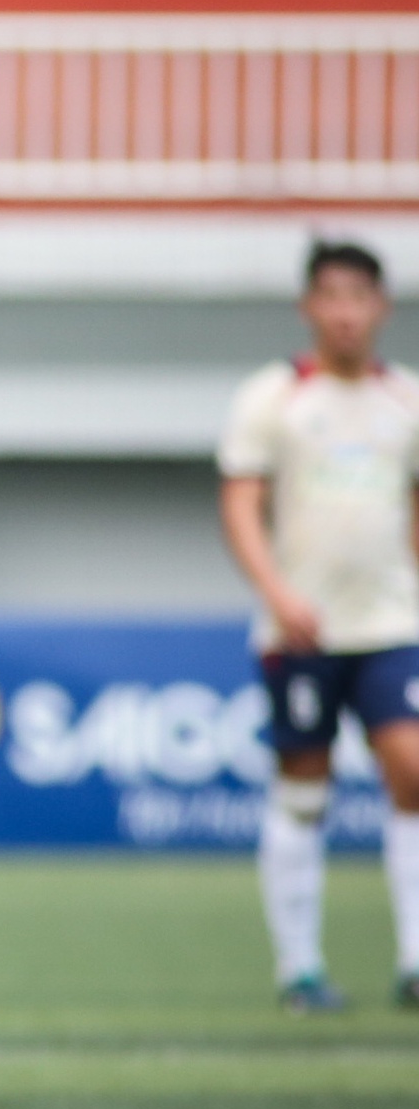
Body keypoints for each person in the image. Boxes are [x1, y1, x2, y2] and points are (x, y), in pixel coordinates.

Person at [218, 239, 419, 1014]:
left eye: (358, 296)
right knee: (304, 788)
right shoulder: (274, 398)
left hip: (392, 621)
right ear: (310, 306)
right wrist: (275, 591)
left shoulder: (405, 400)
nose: (344, 312)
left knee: (411, 769)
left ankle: (412, 959)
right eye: (330, 296)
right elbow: (240, 504)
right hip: (300, 626)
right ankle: (299, 966)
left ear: (381, 307)